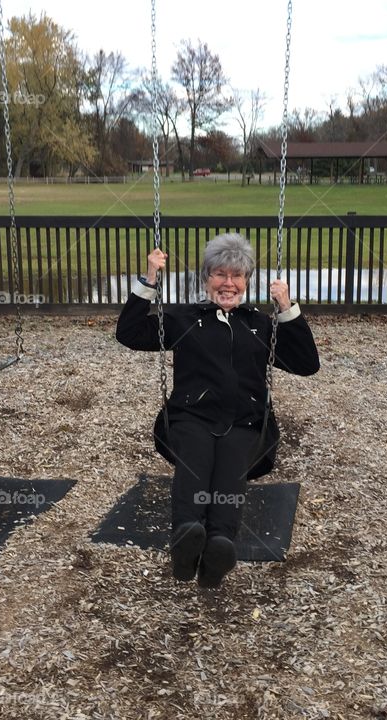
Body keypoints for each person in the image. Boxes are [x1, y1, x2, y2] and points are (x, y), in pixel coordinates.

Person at [116, 233, 320, 588]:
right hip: (190, 417)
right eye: (220, 275)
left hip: (246, 422)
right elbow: (129, 332)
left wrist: (286, 307)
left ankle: (219, 550)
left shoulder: (259, 325)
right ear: (206, 278)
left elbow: (307, 363)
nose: (228, 284)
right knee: (195, 457)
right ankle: (186, 539)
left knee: (230, 464)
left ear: (247, 281)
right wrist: (150, 279)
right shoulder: (184, 319)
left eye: (236, 276)